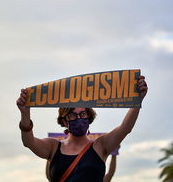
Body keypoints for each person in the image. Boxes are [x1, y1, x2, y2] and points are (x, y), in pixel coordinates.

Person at [16, 75, 148, 182]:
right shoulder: (53, 147)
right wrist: (25, 112)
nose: (79, 118)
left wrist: (138, 100)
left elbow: (126, 128)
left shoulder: (101, 145)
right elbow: (28, 142)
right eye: (73, 115)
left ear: (89, 116)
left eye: (83, 114)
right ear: (64, 121)